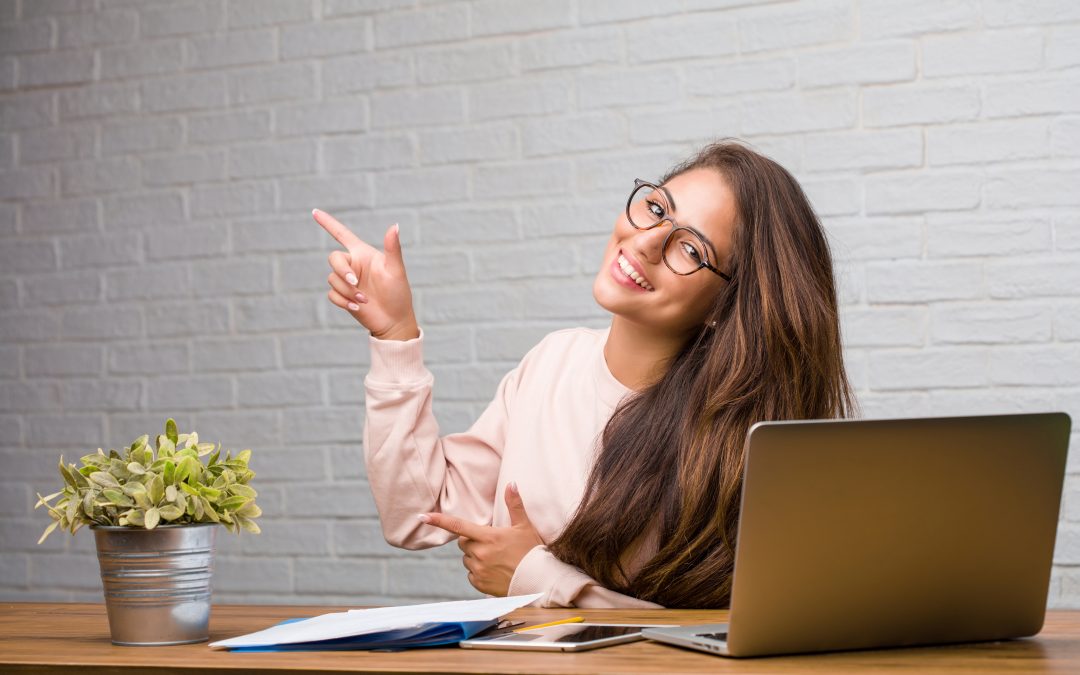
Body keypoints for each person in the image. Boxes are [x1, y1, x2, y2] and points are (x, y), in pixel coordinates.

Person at [315, 140, 855, 609]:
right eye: (655, 208)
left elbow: (717, 628)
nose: (645, 242)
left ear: (725, 306)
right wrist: (394, 337)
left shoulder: (733, 441)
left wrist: (536, 577)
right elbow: (418, 513)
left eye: (690, 248)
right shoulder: (552, 362)